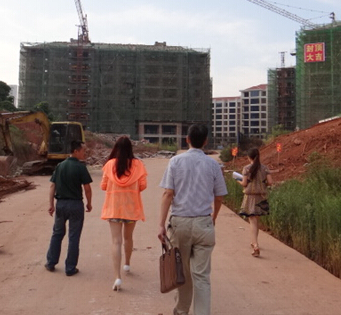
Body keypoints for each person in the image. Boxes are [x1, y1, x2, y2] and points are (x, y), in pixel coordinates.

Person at [158, 124, 228, 315]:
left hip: (180, 222)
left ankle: (181, 310)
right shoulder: (213, 165)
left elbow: (168, 194)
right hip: (203, 223)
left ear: (187, 139)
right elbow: (219, 196)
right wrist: (213, 217)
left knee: (182, 271)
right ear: (206, 141)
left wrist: (161, 225)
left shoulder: (175, 162)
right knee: (202, 276)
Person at [100, 136, 147, 291]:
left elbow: (103, 186)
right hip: (131, 208)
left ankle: (117, 277)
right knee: (128, 237)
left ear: (116, 148)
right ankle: (127, 263)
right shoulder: (138, 165)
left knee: (116, 241)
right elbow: (143, 186)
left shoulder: (109, 165)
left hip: (114, 208)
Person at [45, 140, 93, 276]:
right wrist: (89, 203)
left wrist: (51, 204)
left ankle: (51, 262)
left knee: (57, 233)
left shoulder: (60, 166)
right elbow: (87, 188)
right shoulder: (80, 167)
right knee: (74, 236)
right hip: (75, 205)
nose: (85, 153)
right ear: (76, 151)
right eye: (83, 151)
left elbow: (52, 186)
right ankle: (70, 268)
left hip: (61, 205)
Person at [236, 148, 274, 257]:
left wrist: (238, 180)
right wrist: (262, 185)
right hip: (261, 197)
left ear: (249, 157)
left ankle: (256, 245)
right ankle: (254, 242)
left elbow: (244, 183)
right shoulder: (265, 168)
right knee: (256, 220)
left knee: (252, 221)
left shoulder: (247, 168)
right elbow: (270, 182)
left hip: (250, 197)